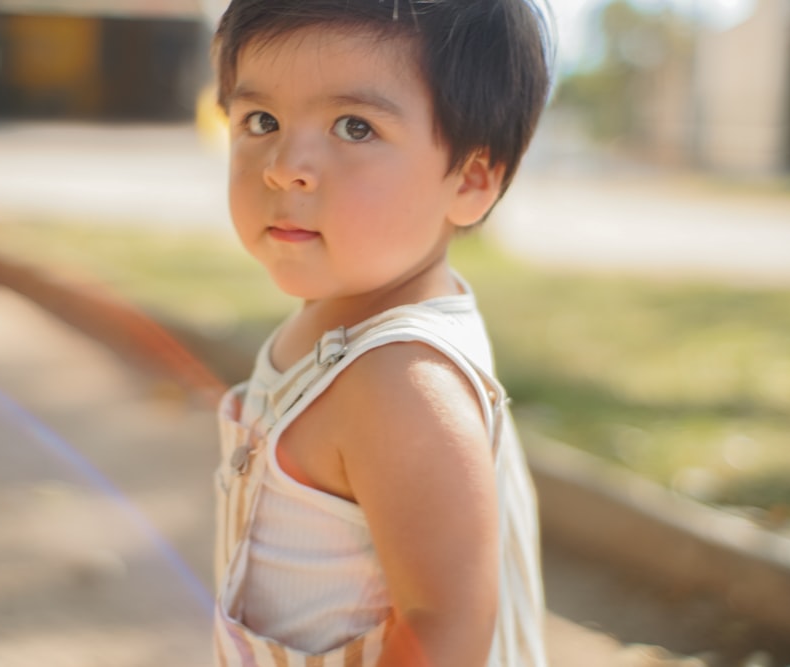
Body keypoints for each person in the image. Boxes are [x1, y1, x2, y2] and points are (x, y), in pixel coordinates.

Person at [210, 0, 553, 665]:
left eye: (353, 127)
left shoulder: (402, 383)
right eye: (262, 120)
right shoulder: (336, 320)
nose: (285, 165)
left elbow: (446, 630)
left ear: (473, 178)